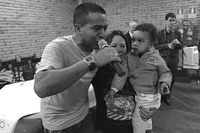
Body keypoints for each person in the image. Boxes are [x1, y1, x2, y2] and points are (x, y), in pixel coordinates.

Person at [33, 2, 121, 133]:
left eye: (105, 28)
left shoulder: (96, 49)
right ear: (78, 29)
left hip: (84, 114)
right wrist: (93, 61)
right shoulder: (58, 47)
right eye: (96, 28)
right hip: (59, 122)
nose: (103, 34)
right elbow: (41, 88)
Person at [108, 23, 172, 133]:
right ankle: (149, 130)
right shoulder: (129, 57)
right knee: (145, 118)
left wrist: (164, 83)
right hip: (140, 95)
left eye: (140, 41)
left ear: (150, 44)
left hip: (149, 96)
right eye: (133, 40)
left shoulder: (155, 58)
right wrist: (114, 88)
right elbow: (122, 74)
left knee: (137, 121)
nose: (135, 44)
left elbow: (165, 72)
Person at [92, 30, 158, 133]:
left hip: (132, 127)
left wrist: (152, 109)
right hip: (107, 128)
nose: (119, 50)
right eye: (114, 45)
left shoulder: (136, 68)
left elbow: (149, 92)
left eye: (123, 46)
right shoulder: (99, 71)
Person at [155, 12, 183, 106]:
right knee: (162, 78)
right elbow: (156, 46)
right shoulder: (159, 33)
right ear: (166, 21)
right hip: (163, 59)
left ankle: (167, 97)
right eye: (170, 20)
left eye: (174, 20)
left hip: (174, 59)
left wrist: (177, 45)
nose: (172, 22)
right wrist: (168, 45)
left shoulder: (178, 33)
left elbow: (182, 46)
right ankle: (160, 96)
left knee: (173, 78)